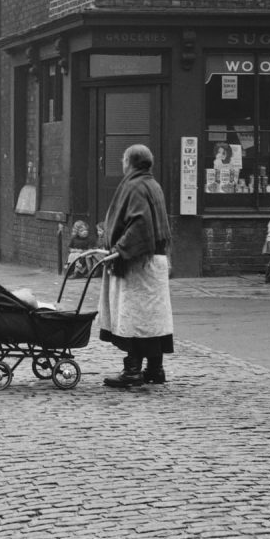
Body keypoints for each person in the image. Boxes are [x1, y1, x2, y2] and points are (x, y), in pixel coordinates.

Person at [98, 144, 175, 388]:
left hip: (139, 263)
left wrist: (119, 248)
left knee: (135, 318)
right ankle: (155, 368)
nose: (122, 164)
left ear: (130, 162)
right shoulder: (153, 184)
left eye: (123, 160)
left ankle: (132, 370)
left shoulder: (134, 185)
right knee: (152, 317)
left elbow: (140, 224)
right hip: (156, 261)